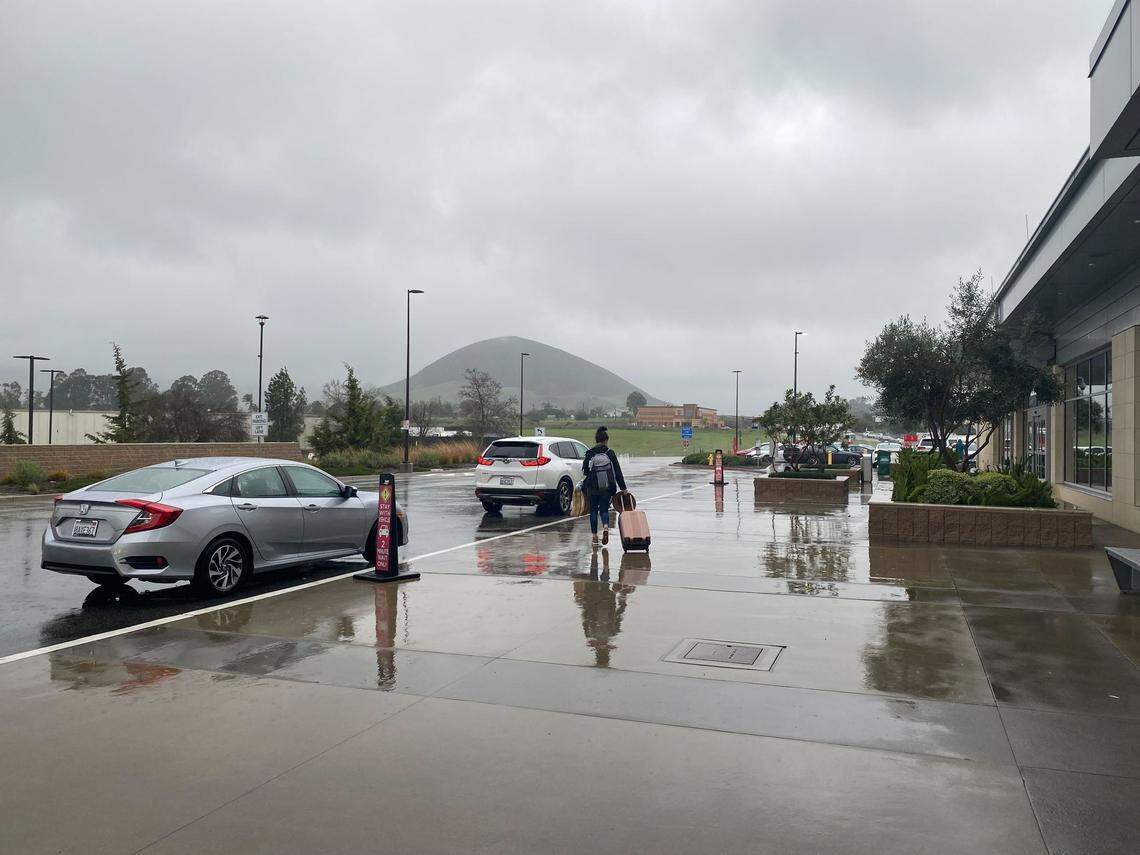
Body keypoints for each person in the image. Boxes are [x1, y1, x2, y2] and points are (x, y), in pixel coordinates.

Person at [582, 425, 627, 546]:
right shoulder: (610, 453)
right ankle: (606, 527)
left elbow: (585, 471)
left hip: (592, 487)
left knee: (593, 511)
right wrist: (623, 488)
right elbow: (617, 472)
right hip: (606, 487)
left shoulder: (590, 453)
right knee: (604, 510)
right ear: (606, 440)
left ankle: (594, 536)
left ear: (596, 440)